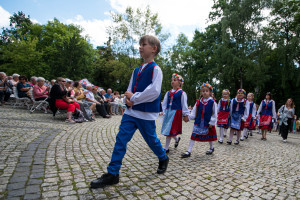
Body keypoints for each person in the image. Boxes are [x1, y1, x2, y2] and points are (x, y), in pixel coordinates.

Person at [90, 35, 168, 189]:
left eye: (143, 44)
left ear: (154, 49)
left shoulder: (156, 69)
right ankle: (113, 173)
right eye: (139, 44)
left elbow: (154, 91)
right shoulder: (136, 70)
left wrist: (135, 98)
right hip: (131, 113)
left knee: (152, 141)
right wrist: (127, 100)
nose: (140, 47)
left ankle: (163, 157)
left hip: (145, 114)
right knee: (121, 140)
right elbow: (129, 89)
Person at [181, 83, 218, 158]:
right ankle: (189, 151)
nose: (204, 92)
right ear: (201, 92)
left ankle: (211, 148)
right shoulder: (198, 102)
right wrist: (189, 118)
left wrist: (212, 122)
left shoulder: (212, 102)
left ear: (210, 92)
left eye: (206, 91)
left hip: (207, 123)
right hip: (198, 122)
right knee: (193, 135)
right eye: (203, 91)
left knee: (209, 136)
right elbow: (194, 111)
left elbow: (215, 114)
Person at [161, 73, 189, 153]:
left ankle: (166, 148)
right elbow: (164, 102)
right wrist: (163, 111)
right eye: (172, 80)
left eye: (175, 80)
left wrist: (185, 114)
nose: (172, 81)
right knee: (169, 129)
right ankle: (177, 139)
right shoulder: (168, 92)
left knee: (169, 130)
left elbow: (184, 104)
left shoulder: (182, 93)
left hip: (176, 113)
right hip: (168, 112)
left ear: (179, 83)